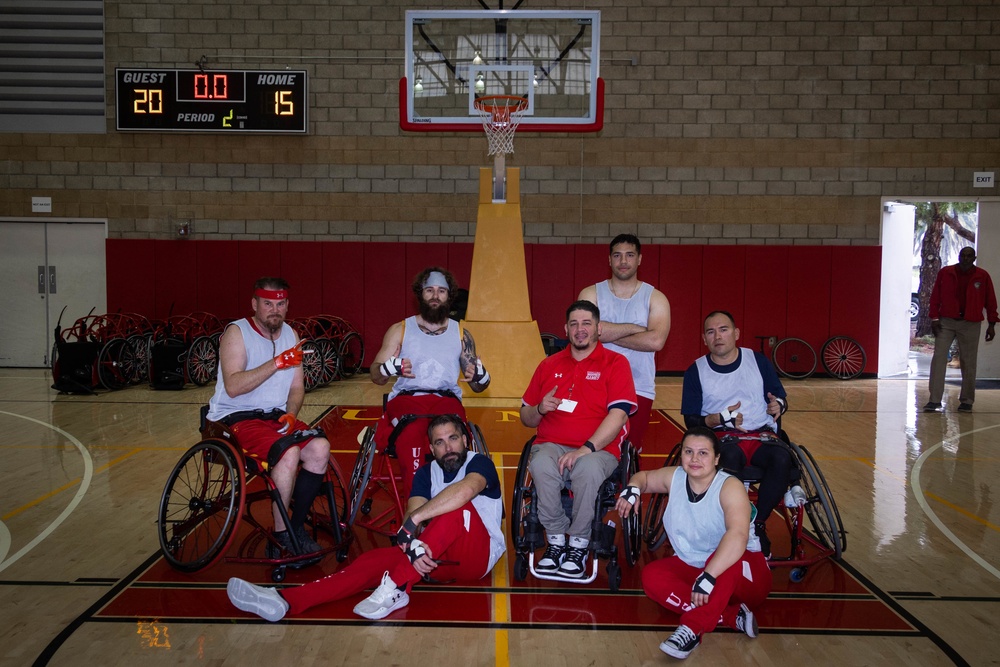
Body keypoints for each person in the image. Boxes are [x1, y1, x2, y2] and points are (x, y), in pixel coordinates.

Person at [226, 414, 505, 622]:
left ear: (465, 440)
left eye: (453, 438)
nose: (448, 447)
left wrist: (415, 523)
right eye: (440, 443)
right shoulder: (426, 473)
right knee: (370, 561)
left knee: (456, 507)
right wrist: (414, 543)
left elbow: (465, 490)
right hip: (431, 559)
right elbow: (413, 512)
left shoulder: (479, 463)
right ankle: (284, 600)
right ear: (431, 449)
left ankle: (395, 587)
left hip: (476, 558)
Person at [616, 427, 771, 660]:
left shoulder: (730, 486)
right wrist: (632, 489)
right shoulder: (675, 477)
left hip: (744, 575)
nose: (695, 459)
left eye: (703, 453)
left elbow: (737, 536)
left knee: (722, 556)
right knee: (652, 577)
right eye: (689, 452)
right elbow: (645, 477)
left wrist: (709, 575)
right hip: (699, 571)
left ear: (717, 458)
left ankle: (692, 628)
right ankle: (729, 615)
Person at [206, 277, 329, 557]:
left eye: (281, 303)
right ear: (254, 304)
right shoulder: (237, 333)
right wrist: (276, 363)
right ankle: (281, 537)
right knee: (289, 454)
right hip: (236, 417)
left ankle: (295, 526)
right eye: (268, 303)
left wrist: (291, 412)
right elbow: (234, 386)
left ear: (287, 305)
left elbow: (297, 387)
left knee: (320, 448)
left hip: (275, 416)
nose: (275, 309)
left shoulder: (292, 334)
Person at [519, 300, 637, 578]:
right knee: (541, 465)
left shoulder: (616, 363)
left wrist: (586, 449)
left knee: (586, 468)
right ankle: (557, 539)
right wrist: (539, 409)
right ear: (566, 329)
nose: (580, 329)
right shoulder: (548, 365)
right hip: (552, 442)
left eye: (586, 323)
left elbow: (619, 415)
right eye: (574, 324)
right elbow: (526, 417)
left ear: (598, 328)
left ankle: (579, 544)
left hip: (600, 448)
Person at [680, 310, 795, 557]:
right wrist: (718, 418)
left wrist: (779, 405)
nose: (717, 336)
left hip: (761, 435)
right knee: (728, 459)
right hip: (723, 438)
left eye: (723, 329)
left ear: (736, 333)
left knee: (782, 459)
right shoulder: (696, 371)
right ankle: (730, 523)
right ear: (704, 338)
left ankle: (757, 523)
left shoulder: (758, 361)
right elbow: (691, 421)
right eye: (711, 332)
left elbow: (779, 397)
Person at [369, 267, 491, 497]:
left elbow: (477, 385)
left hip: (445, 400)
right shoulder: (400, 329)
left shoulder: (461, 333)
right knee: (413, 435)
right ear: (420, 294)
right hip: (408, 400)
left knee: (449, 436)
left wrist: (481, 377)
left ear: (449, 296)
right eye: (429, 290)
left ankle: (450, 498)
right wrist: (387, 368)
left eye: (441, 291)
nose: (435, 296)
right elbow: (376, 375)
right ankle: (418, 504)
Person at [578, 234, 671, 454]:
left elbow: (656, 341)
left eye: (629, 255)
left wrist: (604, 332)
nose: (623, 261)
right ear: (609, 260)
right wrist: (637, 329)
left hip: (638, 386)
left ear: (639, 259)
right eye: (617, 256)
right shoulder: (590, 293)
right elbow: (584, 334)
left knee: (629, 454)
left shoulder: (656, 298)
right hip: (594, 384)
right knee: (591, 449)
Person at [924, 246, 998, 413]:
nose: (965, 258)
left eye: (969, 256)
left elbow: (990, 300)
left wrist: (992, 324)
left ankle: (967, 400)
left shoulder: (982, 276)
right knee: (939, 359)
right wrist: (934, 318)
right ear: (958, 256)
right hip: (946, 322)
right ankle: (934, 400)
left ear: (974, 258)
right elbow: (935, 296)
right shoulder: (946, 272)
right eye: (963, 255)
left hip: (970, 323)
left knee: (968, 362)